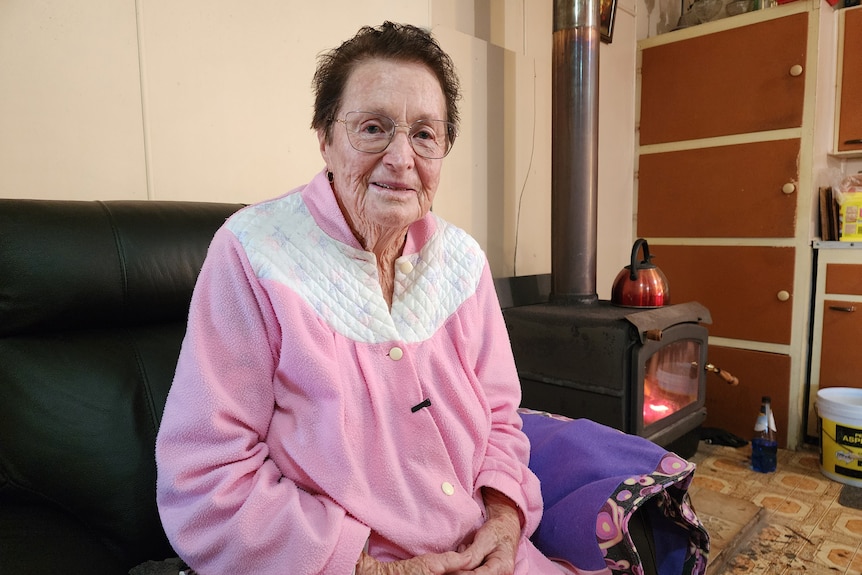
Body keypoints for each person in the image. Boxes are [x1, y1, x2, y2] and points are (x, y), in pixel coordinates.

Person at [155, 21, 577, 575]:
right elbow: (207, 477)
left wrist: (502, 520)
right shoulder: (253, 254)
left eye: (425, 134)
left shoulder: (463, 261)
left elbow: (501, 417)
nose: (402, 158)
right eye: (373, 128)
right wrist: (365, 568)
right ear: (325, 138)